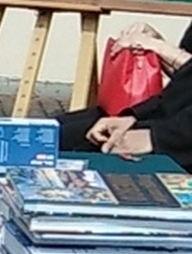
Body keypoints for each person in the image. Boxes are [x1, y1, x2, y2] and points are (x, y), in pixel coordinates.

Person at [58, 20, 192, 162]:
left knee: (71, 146)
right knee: (56, 131)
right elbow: (185, 82)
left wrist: (155, 137)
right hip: (167, 116)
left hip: (177, 139)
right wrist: (133, 116)